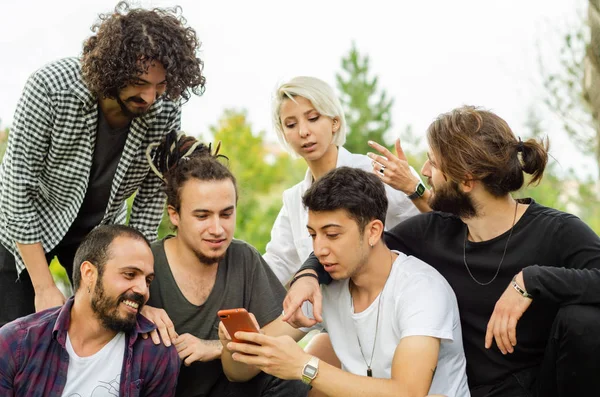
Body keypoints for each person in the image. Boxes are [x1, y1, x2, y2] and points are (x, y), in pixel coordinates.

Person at [284, 106, 600, 397]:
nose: (423, 171)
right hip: (462, 391)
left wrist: (531, 280)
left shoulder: (556, 231)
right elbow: (357, 244)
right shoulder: (433, 231)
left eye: (433, 163)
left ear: (466, 180)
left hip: (542, 387)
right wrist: (308, 274)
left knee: (585, 319)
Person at [0, 1, 206, 327]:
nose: (151, 97)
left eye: (161, 85)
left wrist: (135, 282)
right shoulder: (50, 89)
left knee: (99, 328)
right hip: (23, 227)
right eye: (140, 83)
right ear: (114, 71)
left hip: (98, 232)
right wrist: (43, 286)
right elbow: (16, 185)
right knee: (16, 333)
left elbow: (149, 201)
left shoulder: (164, 110)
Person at [221, 167, 470, 397]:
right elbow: (240, 372)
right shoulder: (325, 290)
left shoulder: (421, 289)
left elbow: (408, 392)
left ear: (373, 231)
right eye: (312, 235)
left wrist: (304, 366)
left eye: (332, 235)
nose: (319, 249)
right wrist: (233, 345)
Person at [140, 142, 308, 397]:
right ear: (174, 215)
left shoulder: (244, 258)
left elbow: (281, 330)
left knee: (287, 380)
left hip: (231, 388)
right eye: (203, 216)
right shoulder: (144, 262)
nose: (217, 229)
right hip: (161, 391)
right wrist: (137, 310)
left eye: (226, 214)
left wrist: (218, 346)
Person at [263, 76, 426, 285]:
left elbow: (428, 227)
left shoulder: (376, 172)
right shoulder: (294, 199)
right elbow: (278, 262)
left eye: (313, 118)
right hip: (326, 314)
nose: (303, 132)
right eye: (291, 124)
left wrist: (416, 188)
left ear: (334, 122)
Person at [0, 224, 180, 396]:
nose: (143, 289)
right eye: (130, 275)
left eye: (148, 280)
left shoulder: (155, 353)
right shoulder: (16, 343)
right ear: (89, 273)